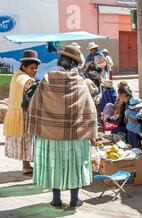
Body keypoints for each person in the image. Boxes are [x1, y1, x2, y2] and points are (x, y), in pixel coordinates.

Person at [26, 45, 98, 208]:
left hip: (51, 134)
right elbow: (89, 108)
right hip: (75, 134)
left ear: (60, 61)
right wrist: (92, 132)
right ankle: (74, 199)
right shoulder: (79, 82)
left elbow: (35, 104)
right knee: (75, 165)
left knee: (54, 165)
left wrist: (38, 125)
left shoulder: (47, 78)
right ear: (74, 64)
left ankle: (56, 199)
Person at [3, 50, 40, 174]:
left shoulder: (16, 76)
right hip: (23, 115)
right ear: (24, 67)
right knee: (28, 140)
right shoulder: (28, 81)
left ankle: (26, 166)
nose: (34, 71)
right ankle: (29, 165)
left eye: (36, 68)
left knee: (24, 140)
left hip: (14, 113)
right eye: (31, 68)